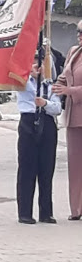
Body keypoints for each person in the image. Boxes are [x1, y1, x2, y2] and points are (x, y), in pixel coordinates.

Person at [17, 55, 61, 224]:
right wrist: (30, 73)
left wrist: (45, 103)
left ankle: (46, 212)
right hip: (28, 122)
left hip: (47, 123)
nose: (38, 66)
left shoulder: (51, 86)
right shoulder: (23, 82)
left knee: (46, 169)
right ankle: (25, 212)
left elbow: (57, 108)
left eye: (41, 63)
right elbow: (14, 76)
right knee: (27, 169)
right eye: (34, 62)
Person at [53, 22, 82, 220]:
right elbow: (64, 77)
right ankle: (76, 208)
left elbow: (69, 87)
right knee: (75, 164)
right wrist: (52, 85)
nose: (79, 35)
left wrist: (69, 92)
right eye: (79, 31)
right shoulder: (74, 51)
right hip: (74, 115)